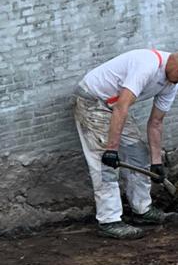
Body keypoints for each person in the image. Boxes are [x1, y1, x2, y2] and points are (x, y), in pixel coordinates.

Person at [74, 47, 178, 239]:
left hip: (115, 107)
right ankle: (109, 220)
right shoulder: (148, 65)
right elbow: (122, 107)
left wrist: (156, 163)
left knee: (138, 154)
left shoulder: (172, 83)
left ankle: (142, 209)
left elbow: (156, 122)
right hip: (93, 102)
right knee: (105, 164)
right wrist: (111, 149)